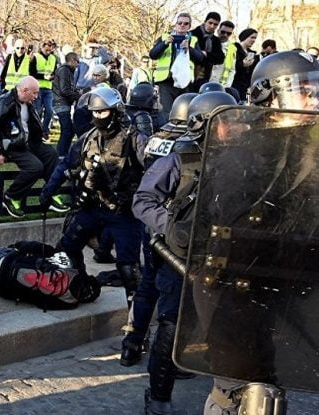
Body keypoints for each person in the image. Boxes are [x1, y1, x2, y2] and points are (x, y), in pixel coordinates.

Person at [201, 51, 319, 414]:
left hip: (288, 293)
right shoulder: (246, 156)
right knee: (246, 396)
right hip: (239, 295)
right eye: (303, 90)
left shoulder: (307, 150)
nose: (313, 99)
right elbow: (226, 232)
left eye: (314, 88)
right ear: (270, 97)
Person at [133, 91, 237, 415]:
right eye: (226, 122)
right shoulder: (180, 161)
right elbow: (142, 201)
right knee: (171, 326)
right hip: (180, 260)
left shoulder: (241, 161)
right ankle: (159, 395)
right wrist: (173, 226)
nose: (236, 127)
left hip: (224, 258)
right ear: (203, 125)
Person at [39, 87, 147, 310]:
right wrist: (48, 191)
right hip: (93, 207)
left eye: (102, 112)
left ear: (115, 111)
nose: (97, 116)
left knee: (129, 268)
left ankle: (136, 320)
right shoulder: (89, 138)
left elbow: (155, 168)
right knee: (66, 248)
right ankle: (80, 284)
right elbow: (65, 164)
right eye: (94, 112)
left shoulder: (134, 138)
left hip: (124, 213)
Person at [120, 92, 198, 367]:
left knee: (147, 285)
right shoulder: (186, 144)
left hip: (153, 221)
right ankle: (168, 356)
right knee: (171, 295)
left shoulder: (158, 136)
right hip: (174, 227)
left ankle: (131, 344)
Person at [0, 76, 68, 218]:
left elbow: (30, 124)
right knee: (35, 167)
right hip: (12, 145)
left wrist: (40, 134)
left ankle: (51, 193)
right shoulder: (6, 102)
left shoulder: (27, 102)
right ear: (25, 90)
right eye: (34, 93)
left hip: (26, 142)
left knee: (51, 155)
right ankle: (11, 196)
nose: (36, 96)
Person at [149, 13, 205, 118]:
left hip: (184, 82)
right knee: (166, 113)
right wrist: (164, 44)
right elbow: (153, 55)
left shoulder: (193, 40)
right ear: (176, 25)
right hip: (166, 81)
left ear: (189, 26)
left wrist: (189, 49)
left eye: (186, 24)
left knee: (183, 113)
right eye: (180, 23)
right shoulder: (165, 37)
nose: (182, 25)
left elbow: (200, 59)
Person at [52, 52, 81, 156]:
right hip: (61, 104)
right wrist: (78, 96)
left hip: (63, 104)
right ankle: (61, 154)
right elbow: (64, 90)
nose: (78, 64)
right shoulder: (64, 70)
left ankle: (63, 153)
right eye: (77, 61)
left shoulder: (67, 71)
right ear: (72, 60)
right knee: (67, 131)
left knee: (69, 131)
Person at [30, 40, 58, 140]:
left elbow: (54, 71)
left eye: (50, 49)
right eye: (47, 49)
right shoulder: (35, 57)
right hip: (37, 88)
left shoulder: (53, 58)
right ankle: (36, 131)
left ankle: (44, 130)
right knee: (37, 111)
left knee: (49, 110)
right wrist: (44, 77)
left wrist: (53, 77)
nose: (48, 51)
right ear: (42, 47)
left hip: (48, 88)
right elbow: (31, 73)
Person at [190, 12, 224, 91]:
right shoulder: (192, 34)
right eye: (210, 23)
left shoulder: (215, 40)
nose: (212, 26)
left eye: (215, 24)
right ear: (205, 21)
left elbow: (221, 58)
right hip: (190, 73)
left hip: (204, 75)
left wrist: (206, 54)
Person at [231, 28, 259, 101]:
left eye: (255, 38)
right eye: (252, 37)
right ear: (245, 37)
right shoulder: (234, 49)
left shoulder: (252, 53)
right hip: (233, 84)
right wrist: (242, 65)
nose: (254, 40)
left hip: (246, 87)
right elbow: (229, 65)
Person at [208, 21, 237, 88]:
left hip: (220, 85)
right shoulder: (209, 42)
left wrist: (226, 87)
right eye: (223, 32)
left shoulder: (232, 49)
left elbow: (232, 70)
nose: (225, 35)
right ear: (218, 31)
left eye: (228, 33)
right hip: (205, 81)